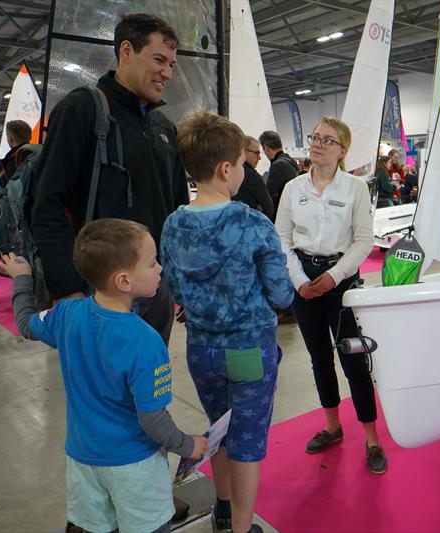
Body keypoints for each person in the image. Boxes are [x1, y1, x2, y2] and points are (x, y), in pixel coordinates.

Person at [30, 13, 192, 522]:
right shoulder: (84, 111)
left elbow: (170, 215)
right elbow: (46, 205)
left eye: (172, 63)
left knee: (150, 399)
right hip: (95, 298)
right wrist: (67, 291)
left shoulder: (163, 129)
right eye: (157, 59)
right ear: (125, 52)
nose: (167, 72)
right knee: (101, 407)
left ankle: (147, 496)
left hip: (151, 295)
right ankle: (99, 511)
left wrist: (174, 283)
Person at [0, 218, 208, 533]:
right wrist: (187, 445)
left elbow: (27, 324)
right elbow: (153, 419)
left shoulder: (68, 314)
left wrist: (22, 279)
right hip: (134, 467)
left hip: (83, 461)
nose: (160, 269)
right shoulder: (146, 341)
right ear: (124, 280)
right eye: (151, 263)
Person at [160, 111, 294, 533]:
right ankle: (242, 527)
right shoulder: (251, 222)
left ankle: (221, 506)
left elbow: (174, 288)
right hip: (247, 350)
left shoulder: (173, 224)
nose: (244, 171)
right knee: (248, 440)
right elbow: (280, 292)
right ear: (225, 169)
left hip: (201, 349)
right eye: (242, 164)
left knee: (218, 426)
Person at [276, 116, 386, 474]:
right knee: (319, 357)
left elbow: (363, 241)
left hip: (341, 281)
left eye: (327, 140)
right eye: (314, 138)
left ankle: (372, 438)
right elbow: (282, 240)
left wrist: (334, 276)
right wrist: (298, 281)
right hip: (303, 281)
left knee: (353, 360)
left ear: (342, 150)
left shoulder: (355, 188)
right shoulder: (293, 188)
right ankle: (332, 427)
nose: (317, 144)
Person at [259, 130, 298, 221]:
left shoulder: (278, 165)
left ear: (266, 148)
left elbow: (267, 196)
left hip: (283, 216)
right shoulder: (290, 161)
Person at [233, 135, 274, 220]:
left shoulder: (227, 174)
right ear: (243, 151)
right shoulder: (252, 177)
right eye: (256, 153)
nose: (259, 158)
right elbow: (269, 208)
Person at [1, 120, 33, 188]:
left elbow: (9, 189)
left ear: (11, 138)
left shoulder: (14, 160)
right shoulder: (37, 153)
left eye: (7, 134)